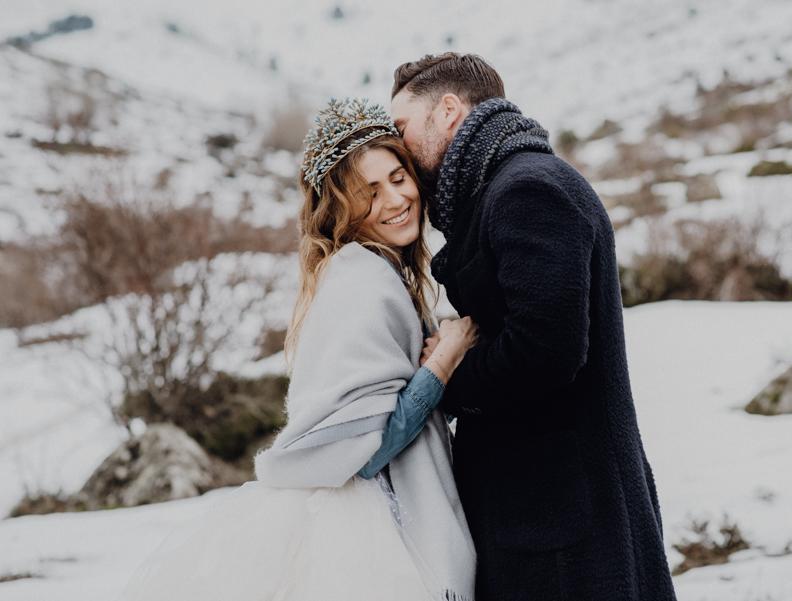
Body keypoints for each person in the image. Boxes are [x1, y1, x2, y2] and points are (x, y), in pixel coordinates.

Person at [119, 98, 477, 601]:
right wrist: (444, 361)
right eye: (370, 193)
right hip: (370, 534)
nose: (396, 200)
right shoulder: (364, 282)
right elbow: (366, 450)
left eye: (399, 178)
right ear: (343, 211)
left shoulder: (375, 272)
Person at [390, 53, 678, 601]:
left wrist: (447, 372)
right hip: (548, 511)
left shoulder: (527, 190)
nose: (398, 146)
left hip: (563, 525)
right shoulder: (507, 186)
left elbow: (546, 348)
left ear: (448, 110)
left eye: (403, 128)